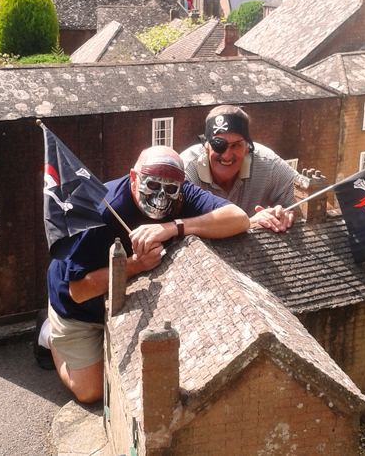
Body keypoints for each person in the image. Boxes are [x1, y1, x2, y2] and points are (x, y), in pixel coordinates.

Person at [37, 146, 249, 402]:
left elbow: (238, 218)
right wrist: (135, 264)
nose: (162, 197)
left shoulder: (180, 193)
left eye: (171, 189)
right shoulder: (100, 211)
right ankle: (48, 333)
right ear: (134, 177)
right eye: (153, 185)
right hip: (79, 307)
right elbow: (79, 291)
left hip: (128, 298)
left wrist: (173, 227)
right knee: (91, 391)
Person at [180, 105, 297, 232]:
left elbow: (307, 199)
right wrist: (248, 223)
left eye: (236, 145)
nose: (227, 156)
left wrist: (285, 213)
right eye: (219, 145)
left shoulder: (268, 164)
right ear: (206, 147)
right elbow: (172, 226)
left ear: (248, 148)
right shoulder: (184, 170)